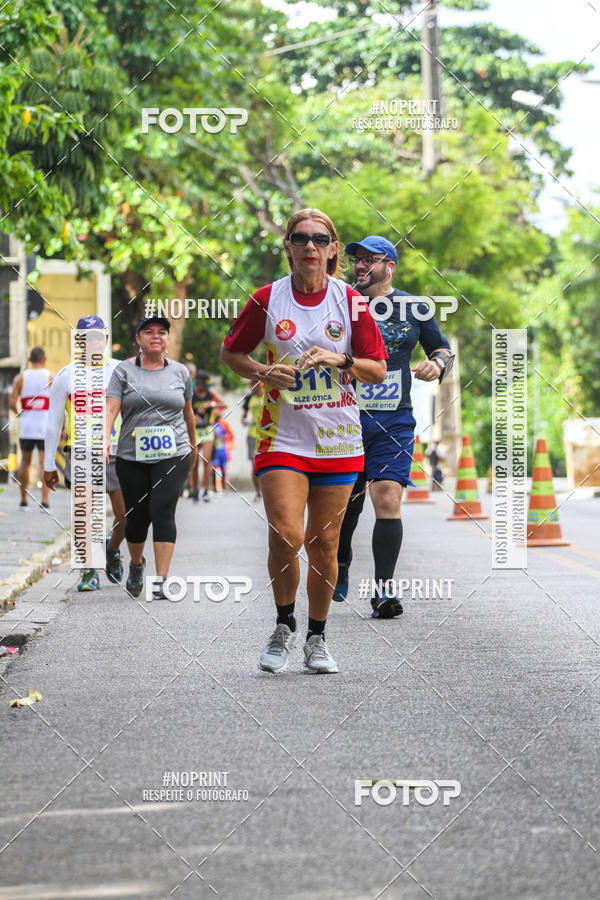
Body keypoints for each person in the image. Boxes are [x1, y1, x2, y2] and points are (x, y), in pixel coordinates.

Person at [221, 208, 387, 674]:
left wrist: (339, 359)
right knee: (285, 535)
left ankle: (317, 637)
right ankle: (282, 627)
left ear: (332, 248)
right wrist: (263, 372)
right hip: (283, 438)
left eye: (319, 239)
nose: (310, 246)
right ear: (288, 248)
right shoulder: (266, 300)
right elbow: (231, 351)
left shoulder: (351, 302)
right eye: (300, 238)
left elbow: (376, 369)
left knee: (324, 544)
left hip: (338, 441)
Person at [333, 235, 454, 617]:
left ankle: (384, 591)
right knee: (343, 508)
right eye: (357, 260)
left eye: (371, 259)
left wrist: (437, 364)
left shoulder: (414, 308)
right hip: (340, 420)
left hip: (393, 420)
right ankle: (341, 558)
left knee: (386, 498)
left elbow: (441, 347)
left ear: (390, 267)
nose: (361, 265)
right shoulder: (338, 303)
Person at [106, 315, 198, 599]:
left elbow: (188, 413)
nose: (156, 336)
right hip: (131, 455)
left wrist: (193, 446)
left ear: (168, 339)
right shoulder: (123, 371)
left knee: (162, 507)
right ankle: (136, 564)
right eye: (148, 332)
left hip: (174, 452)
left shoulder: (181, 372)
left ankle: (161, 580)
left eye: (162, 332)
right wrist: (103, 441)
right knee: (136, 516)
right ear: (139, 339)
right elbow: (110, 409)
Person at [44, 316, 126, 591]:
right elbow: (54, 423)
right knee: (84, 513)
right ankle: (89, 571)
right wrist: (48, 465)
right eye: (85, 337)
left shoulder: (120, 370)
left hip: (115, 453)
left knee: (126, 515)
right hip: (80, 451)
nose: (92, 342)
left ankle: (112, 549)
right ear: (79, 341)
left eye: (96, 337)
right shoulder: (66, 376)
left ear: (104, 340)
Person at [10, 347, 54, 510]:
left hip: (27, 426)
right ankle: (44, 501)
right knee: (45, 464)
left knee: (25, 463)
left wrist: (21, 414)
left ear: (30, 359)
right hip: (45, 426)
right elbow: (58, 402)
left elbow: (11, 403)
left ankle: (23, 501)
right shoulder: (50, 376)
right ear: (44, 359)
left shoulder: (20, 378)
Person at [190, 371, 225, 502]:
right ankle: (195, 490)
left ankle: (205, 490)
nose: (207, 386)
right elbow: (184, 409)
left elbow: (223, 404)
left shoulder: (210, 394)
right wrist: (194, 417)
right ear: (199, 383)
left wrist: (210, 404)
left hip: (207, 430)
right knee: (194, 463)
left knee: (206, 460)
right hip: (194, 430)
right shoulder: (191, 393)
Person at [241, 381, 264, 499]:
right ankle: (258, 491)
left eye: (254, 384)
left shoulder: (268, 395)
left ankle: (266, 490)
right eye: (251, 385)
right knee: (254, 464)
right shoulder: (249, 398)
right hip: (252, 434)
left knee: (267, 463)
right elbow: (243, 418)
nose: (252, 387)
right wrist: (246, 421)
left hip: (266, 434)